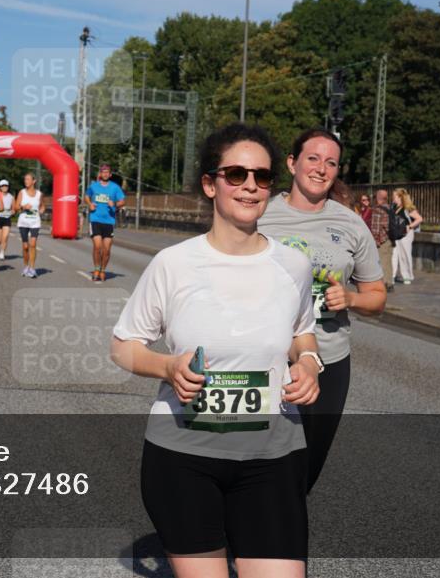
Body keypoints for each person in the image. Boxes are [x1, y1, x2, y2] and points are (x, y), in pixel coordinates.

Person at [112, 123, 320, 576]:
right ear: (211, 184)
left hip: (273, 457)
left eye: (262, 176)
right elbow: (124, 346)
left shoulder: (294, 265)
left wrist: (309, 362)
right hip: (184, 459)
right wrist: (168, 367)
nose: (250, 186)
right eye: (236, 174)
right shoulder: (173, 264)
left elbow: (303, 332)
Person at [258, 128, 386, 494]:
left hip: (328, 360)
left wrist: (351, 299)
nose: (320, 168)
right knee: (257, 462)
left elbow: (377, 295)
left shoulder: (350, 223)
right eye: (312, 158)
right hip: (264, 357)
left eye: (330, 162)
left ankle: (281, 519)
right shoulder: (260, 213)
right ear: (292, 163)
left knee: (306, 466)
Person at [85, 163, 125, 282]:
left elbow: (122, 201)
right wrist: (90, 204)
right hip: (95, 219)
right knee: (97, 246)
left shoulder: (115, 187)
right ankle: (96, 269)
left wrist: (115, 204)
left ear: (110, 174)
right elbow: (86, 196)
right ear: (100, 174)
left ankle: (103, 270)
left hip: (109, 221)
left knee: (106, 250)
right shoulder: (94, 186)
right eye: (103, 172)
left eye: (107, 172)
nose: (105, 174)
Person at [14, 172, 44, 278]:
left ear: (33, 181)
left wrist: (42, 210)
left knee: (33, 244)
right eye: (25, 179)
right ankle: (26, 266)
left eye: (28, 179)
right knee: (25, 246)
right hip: (23, 222)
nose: (26, 181)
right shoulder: (22, 193)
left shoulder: (39, 194)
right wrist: (23, 207)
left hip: (35, 222)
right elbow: (15, 207)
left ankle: (32, 268)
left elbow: (42, 206)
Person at [391, 188, 422, 285]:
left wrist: (410, 226)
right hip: (396, 234)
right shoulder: (394, 207)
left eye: (394, 196)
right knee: (393, 255)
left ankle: (407, 276)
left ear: (400, 197)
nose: (393, 198)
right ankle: (392, 275)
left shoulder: (408, 208)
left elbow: (419, 219)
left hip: (406, 235)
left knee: (405, 255)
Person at [371, 189, 395, 292]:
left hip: (382, 240)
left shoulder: (377, 209)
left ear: (378, 197)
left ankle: (385, 283)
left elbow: (375, 228)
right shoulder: (389, 208)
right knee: (388, 262)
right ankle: (390, 283)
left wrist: (375, 241)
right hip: (390, 239)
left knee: (382, 262)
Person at [0, 179, 14, 260]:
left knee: (5, 237)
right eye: (3, 186)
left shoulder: (11, 197)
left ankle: (2, 252)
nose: (4, 187)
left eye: (6, 186)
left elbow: (14, 208)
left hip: (7, 218)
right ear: (0, 187)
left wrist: (12, 211)